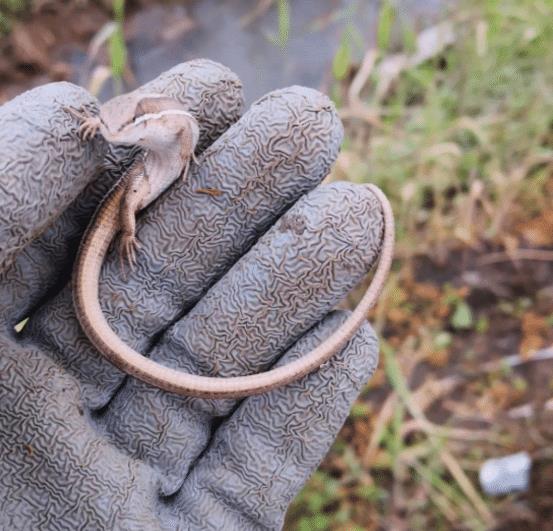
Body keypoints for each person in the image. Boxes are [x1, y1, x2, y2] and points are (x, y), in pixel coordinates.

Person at [0, 59, 382, 530]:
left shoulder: (174, 125)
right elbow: (118, 126)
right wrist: (101, 132)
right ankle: (124, 231)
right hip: (138, 184)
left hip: (152, 172)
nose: (110, 133)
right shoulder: (136, 131)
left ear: (150, 121)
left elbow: (181, 130)